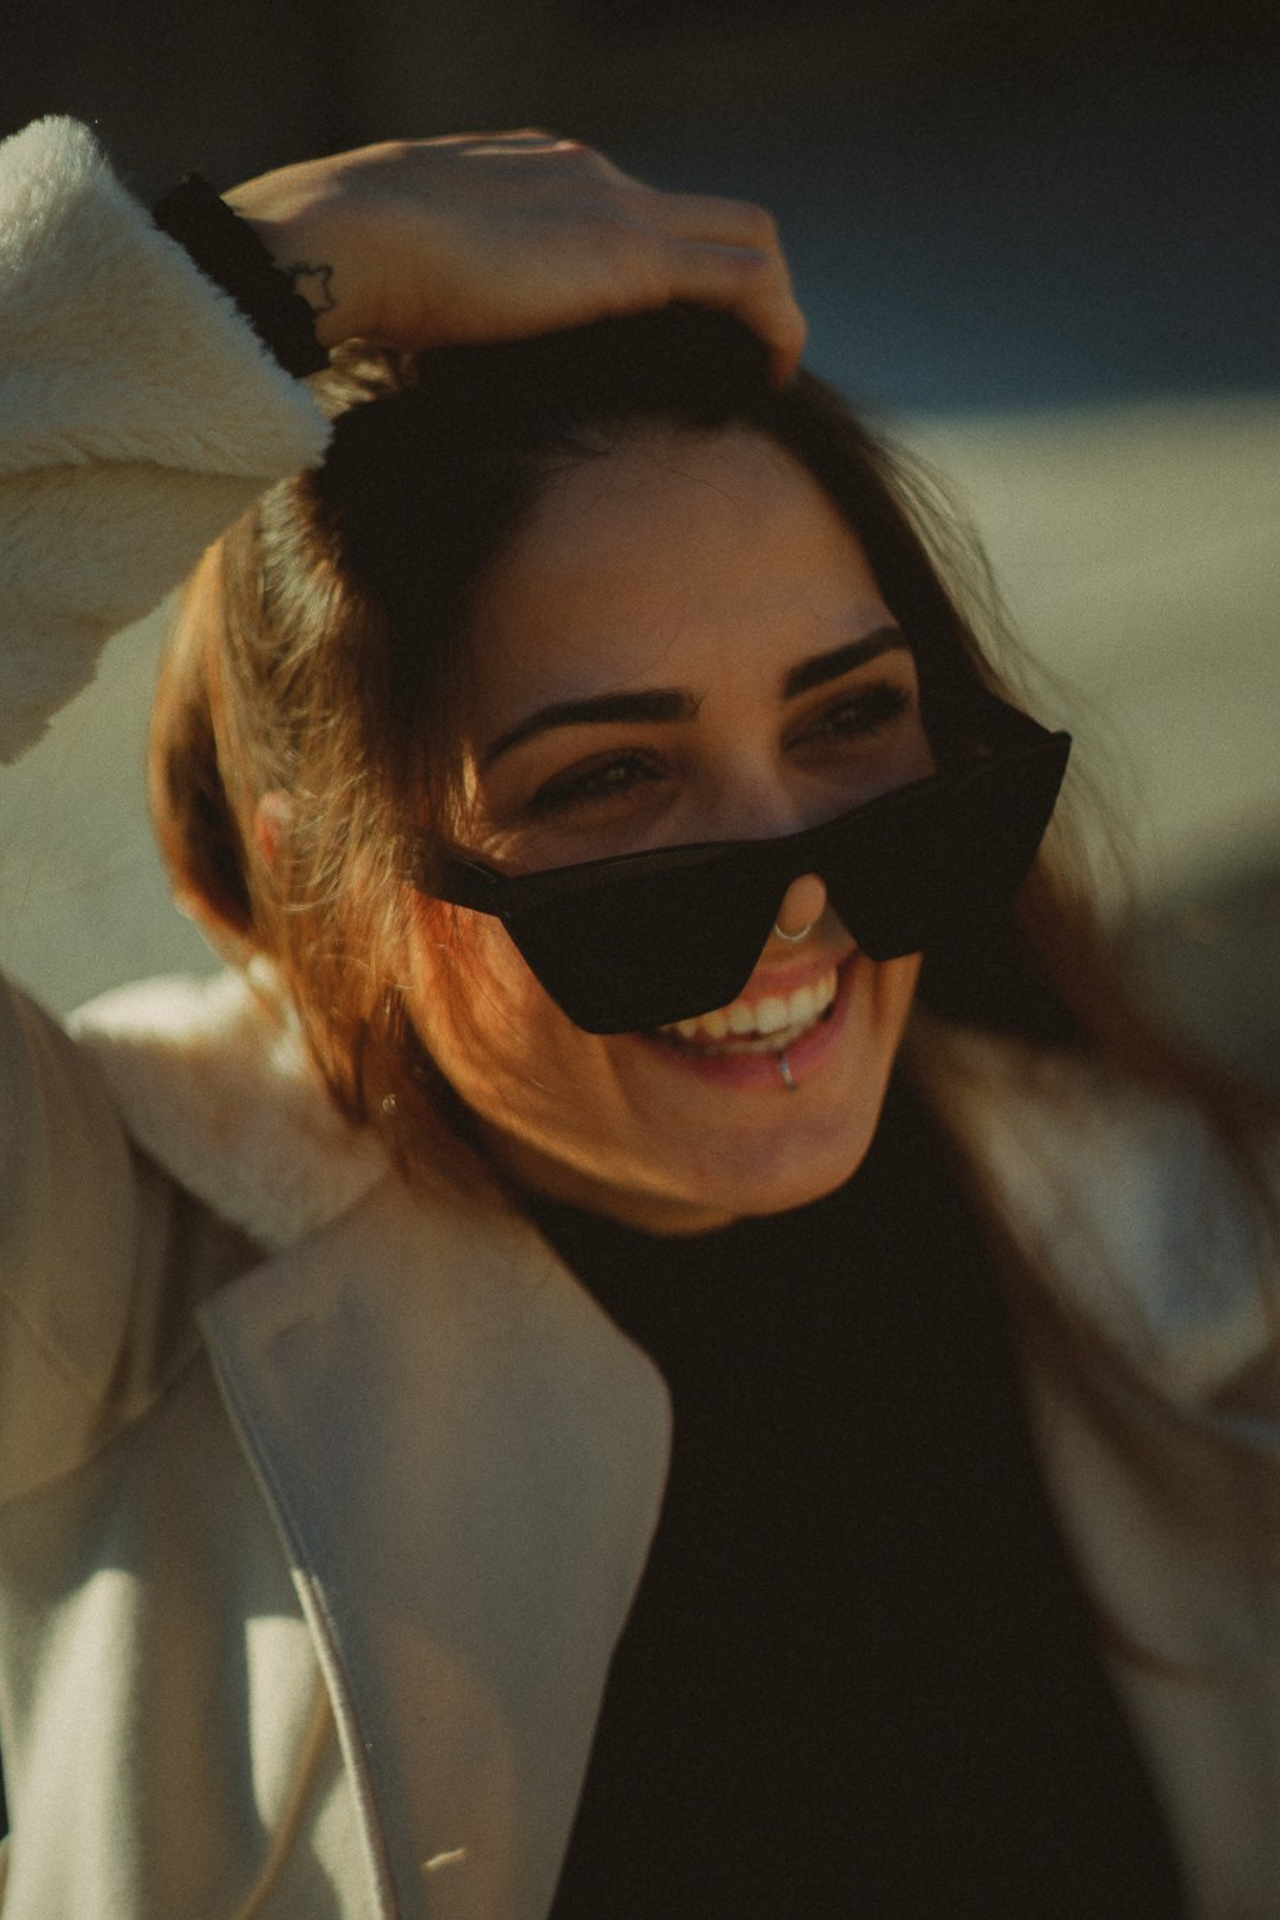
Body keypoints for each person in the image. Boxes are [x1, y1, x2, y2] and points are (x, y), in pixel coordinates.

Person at [0, 112, 1276, 1920]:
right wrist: (229, 281)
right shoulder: (108, 1290)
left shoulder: (1166, 1228)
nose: (804, 887)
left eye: (851, 722)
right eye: (608, 781)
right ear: (321, 882)